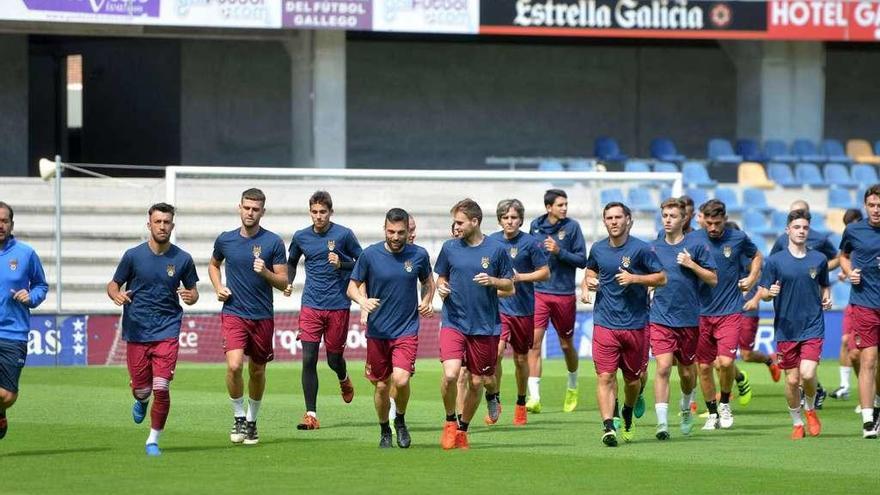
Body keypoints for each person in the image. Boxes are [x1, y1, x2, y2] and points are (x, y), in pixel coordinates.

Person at [107, 203, 199, 456]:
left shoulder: (182, 259)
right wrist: (116, 295)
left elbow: (193, 292)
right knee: (143, 389)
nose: (162, 226)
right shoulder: (133, 256)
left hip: (167, 329)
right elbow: (113, 284)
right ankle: (140, 399)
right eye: (157, 222)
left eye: (166, 222)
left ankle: (152, 440)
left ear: (172, 225)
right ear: (149, 224)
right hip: (137, 330)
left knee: (161, 387)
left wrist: (191, 297)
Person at [348, 208, 434, 448]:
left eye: (401, 232)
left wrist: (427, 300)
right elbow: (352, 286)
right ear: (384, 229)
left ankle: (401, 421)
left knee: (402, 380)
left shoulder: (418, 254)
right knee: (382, 385)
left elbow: (428, 282)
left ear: (409, 231)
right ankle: (384, 428)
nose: (396, 237)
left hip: (406, 329)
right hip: (378, 332)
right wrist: (362, 301)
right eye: (391, 232)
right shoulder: (370, 255)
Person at [582, 202, 666, 446]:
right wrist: (589, 285)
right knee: (605, 377)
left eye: (618, 217)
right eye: (609, 218)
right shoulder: (597, 249)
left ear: (629, 220)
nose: (614, 222)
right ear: (605, 221)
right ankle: (608, 426)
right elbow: (590, 273)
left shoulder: (641, 249)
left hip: (636, 324)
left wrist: (635, 278)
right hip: (605, 323)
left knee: (632, 381)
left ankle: (628, 411)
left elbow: (662, 277)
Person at [209, 188, 288, 445]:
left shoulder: (273, 242)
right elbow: (213, 265)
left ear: (262, 212)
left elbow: (283, 281)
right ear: (239, 208)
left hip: (262, 316)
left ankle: (252, 421)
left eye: (255, 209)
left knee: (257, 370)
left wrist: (265, 272)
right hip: (234, 312)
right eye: (247, 207)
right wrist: (219, 287)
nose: (250, 212)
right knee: (234, 366)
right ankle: (238, 416)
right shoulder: (225, 240)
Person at [436, 199, 513, 449]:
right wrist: (441, 287)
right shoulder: (449, 248)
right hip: (453, 321)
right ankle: (450, 421)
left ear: (475, 221)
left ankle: (463, 429)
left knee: (479, 381)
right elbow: (441, 278)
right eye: (455, 222)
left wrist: (492, 280)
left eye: (460, 222)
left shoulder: (496, 249)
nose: (456, 227)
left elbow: (510, 286)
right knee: (450, 374)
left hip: (485, 326)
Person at [286, 191, 363, 430]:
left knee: (333, 359)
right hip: (311, 305)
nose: (318, 217)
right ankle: (311, 414)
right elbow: (291, 262)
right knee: (308, 358)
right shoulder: (301, 237)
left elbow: (362, 262)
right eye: (314, 212)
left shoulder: (343, 235)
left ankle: (343, 377)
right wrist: (288, 281)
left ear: (331, 212)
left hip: (338, 305)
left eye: (323, 212)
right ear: (310, 212)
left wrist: (342, 264)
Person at [757, 209, 831, 439]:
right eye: (797, 227)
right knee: (792, 379)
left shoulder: (818, 259)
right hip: (786, 328)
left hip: (812, 325)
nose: (801, 231)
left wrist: (827, 297)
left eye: (805, 228)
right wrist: (770, 293)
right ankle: (797, 422)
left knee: (807, 375)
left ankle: (810, 409)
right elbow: (763, 292)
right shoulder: (775, 261)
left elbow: (824, 285)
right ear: (787, 230)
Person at [649, 198, 717, 440]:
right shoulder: (654, 248)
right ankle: (662, 423)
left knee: (687, 374)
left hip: (688, 319)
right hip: (659, 317)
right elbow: (646, 276)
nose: (668, 220)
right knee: (664, 367)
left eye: (673, 216)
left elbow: (712, 278)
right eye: (665, 215)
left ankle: (686, 406)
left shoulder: (696, 246)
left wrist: (691, 265)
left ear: (683, 219)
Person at [693, 199, 761, 430]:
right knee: (703, 367)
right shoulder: (694, 239)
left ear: (724, 219)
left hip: (730, 311)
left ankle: (724, 403)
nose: (712, 228)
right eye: (709, 223)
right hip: (701, 313)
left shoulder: (737, 238)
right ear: (703, 219)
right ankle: (712, 413)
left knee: (726, 362)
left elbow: (757, 256)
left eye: (717, 223)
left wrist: (752, 278)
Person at [486, 199, 550, 426]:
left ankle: (521, 403)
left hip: (523, 309)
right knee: (496, 353)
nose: (509, 221)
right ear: (500, 220)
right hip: (499, 308)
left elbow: (544, 273)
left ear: (520, 219)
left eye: (513, 217)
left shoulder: (531, 243)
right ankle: (495, 397)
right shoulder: (491, 241)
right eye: (505, 217)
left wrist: (520, 277)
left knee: (521, 358)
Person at [528, 189, 587, 413]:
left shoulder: (572, 228)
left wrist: (559, 251)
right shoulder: (535, 226)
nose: (564, 208)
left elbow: (582, 260)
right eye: (560, 204)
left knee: (565, 344)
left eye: (566, 204)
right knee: (534, 343)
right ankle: (534, 397)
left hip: (563, 294)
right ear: (548, 207)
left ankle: (572, 385)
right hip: (539, 292)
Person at [0, 201, 48, 440]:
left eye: (4, 220)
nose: (0, 225)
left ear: (11, 224)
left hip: (13, 333)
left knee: (7, 396)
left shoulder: (26, 253)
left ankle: (1, 412)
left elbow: (41, 285)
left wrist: (31, 297)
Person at [838, 185, 880, 438]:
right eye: (873, 205)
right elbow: (843, 255)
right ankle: (867, 419)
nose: (877, 210)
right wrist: (849, 270)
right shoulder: (854, 230)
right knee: (869, 360)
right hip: (864, 304)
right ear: (866, 206)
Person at [831, 208, 865, 401]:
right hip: (854, 301)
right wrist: (846, 272)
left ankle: (868, 393)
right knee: (846, 343)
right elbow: (844, 259)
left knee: (864, 354)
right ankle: (845, 386)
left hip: (870, 302)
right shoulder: (851, 241)